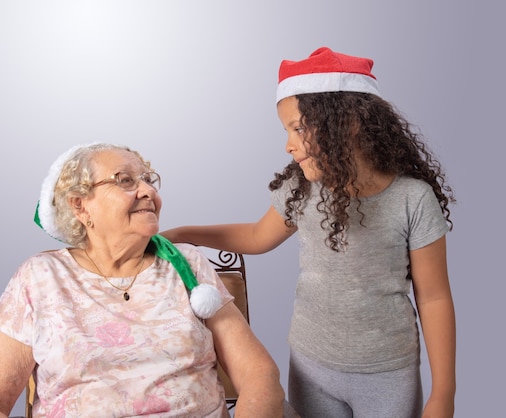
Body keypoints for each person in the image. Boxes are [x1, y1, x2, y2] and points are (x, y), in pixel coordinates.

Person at [161, 47, 456, 418]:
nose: (288, 144)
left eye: (298, 127)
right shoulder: (303, 188)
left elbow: (433, 297)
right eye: (287, 130)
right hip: (310, 366)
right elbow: (256, 237)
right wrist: (185, 232)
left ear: (348, 121)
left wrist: (443, 393)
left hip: (387, 374)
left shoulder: (412, 198)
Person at [0, 143, 286, 418]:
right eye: (125, 180)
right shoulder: (40, 277)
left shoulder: (187, 264)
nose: (147, 190)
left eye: (148, 179)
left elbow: (259, 374)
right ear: (80, 206)